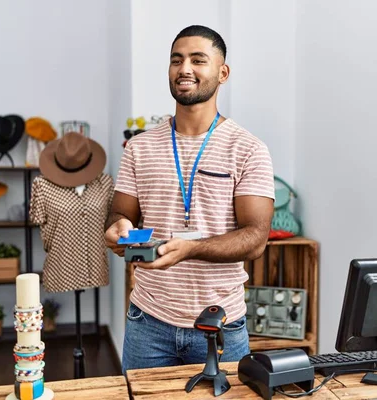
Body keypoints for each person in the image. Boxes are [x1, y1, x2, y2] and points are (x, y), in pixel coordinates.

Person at [105, 25, 275, 373]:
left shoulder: (248, 149)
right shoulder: (139, 147)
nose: (185, 69)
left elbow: (256, 238)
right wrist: (117, 226)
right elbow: (121, 211)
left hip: (219, 325)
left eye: (198, 60)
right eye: (176, 60)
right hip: (147, 322)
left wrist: (191, 248)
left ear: (222, 73)